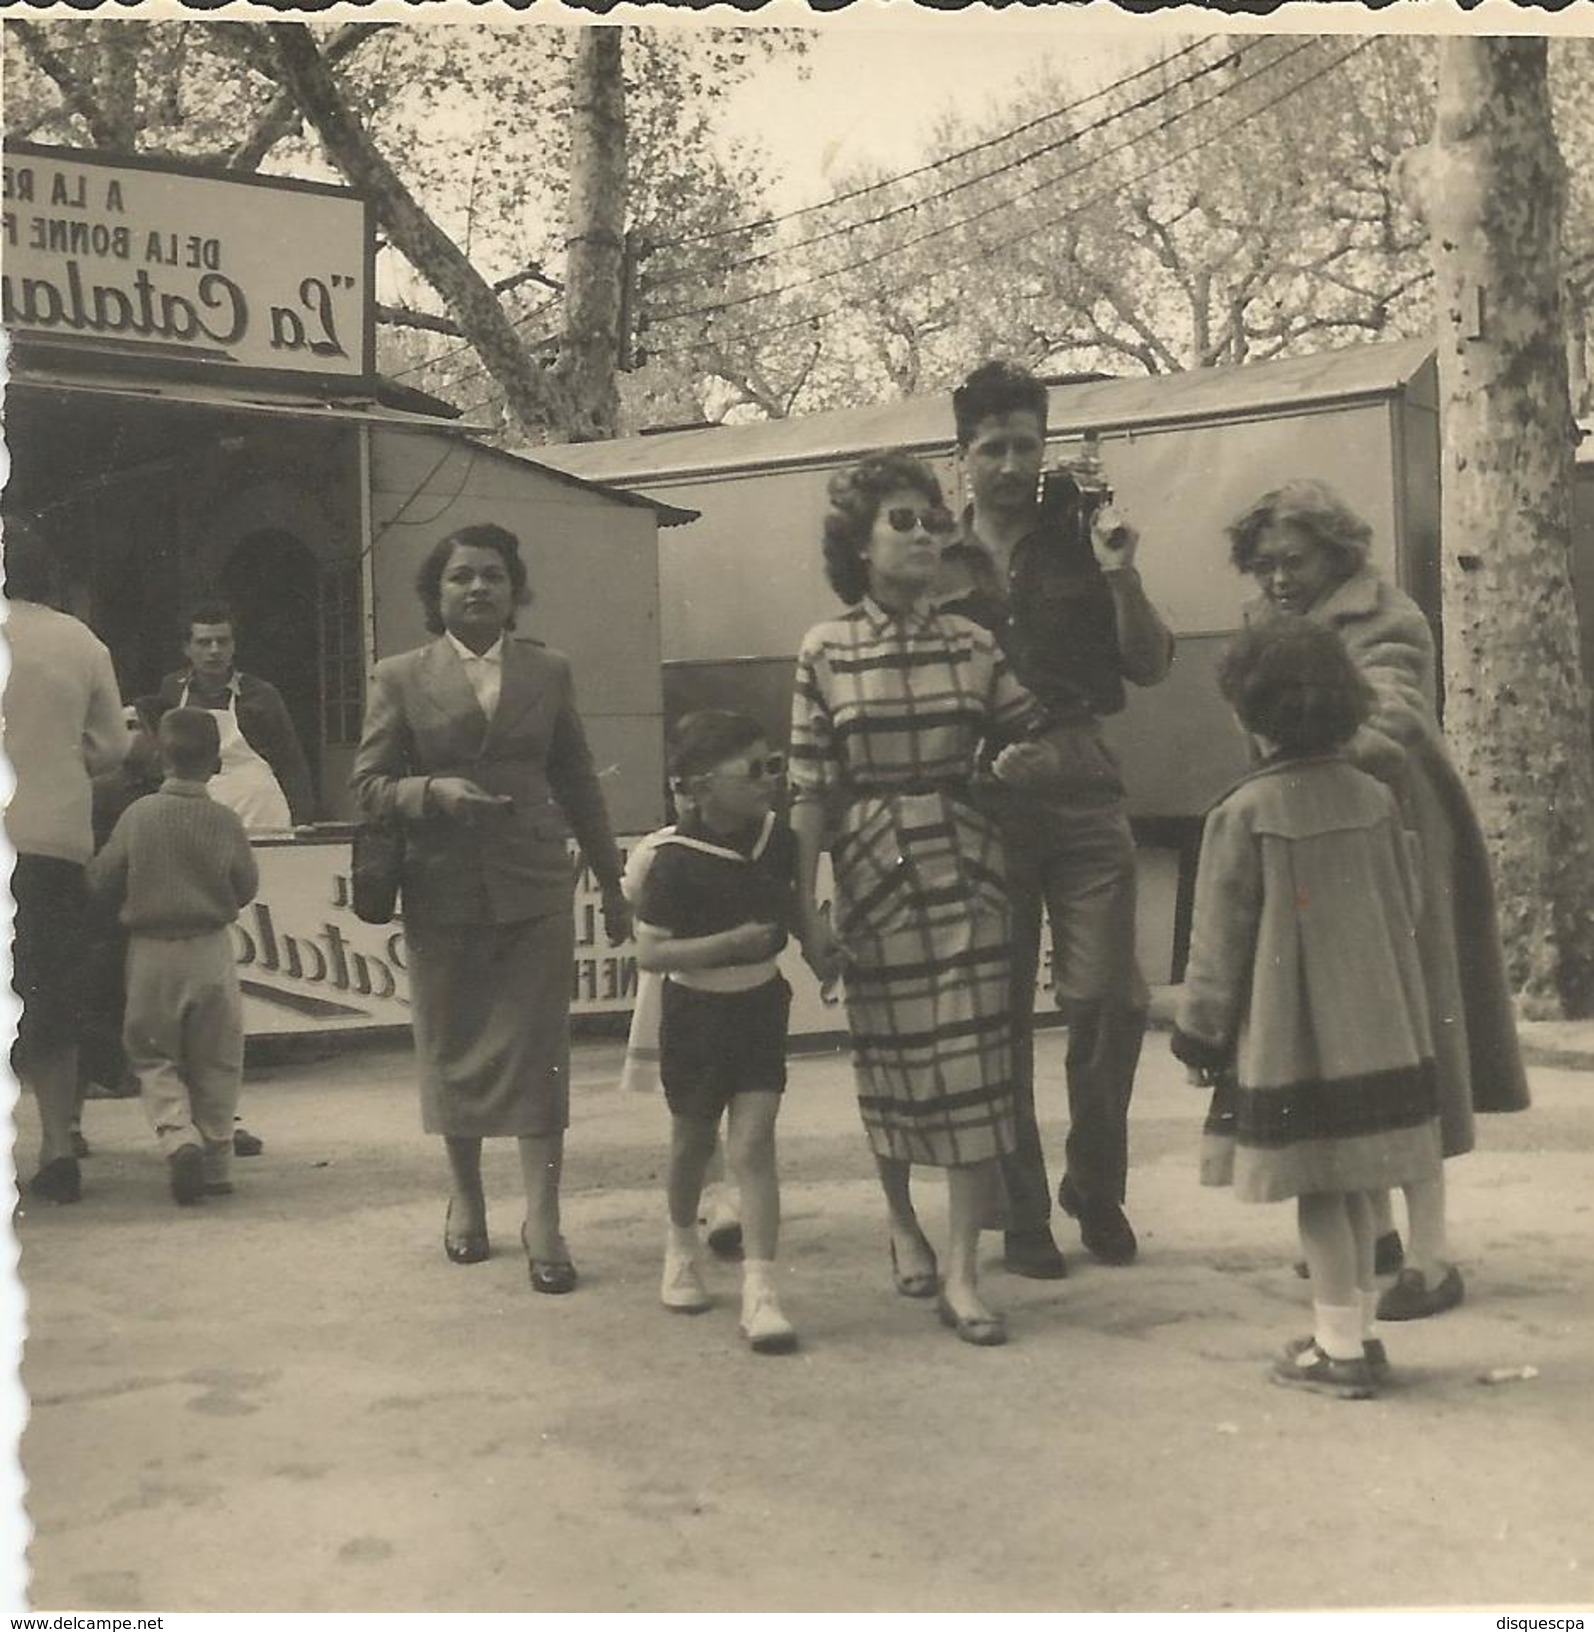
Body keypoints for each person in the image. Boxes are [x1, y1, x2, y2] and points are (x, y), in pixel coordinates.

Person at [1227, 478, 1530, 1321]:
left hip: (1396, 843)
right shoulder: (1264, 622)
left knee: (1413, 1043)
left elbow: (1389, 721)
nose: (1278, 578)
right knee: (1336, 1043)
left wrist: (1296, 745)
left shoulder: (1387, 618)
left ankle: (1431, 1259)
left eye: (1293, 560)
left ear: (1336, 549)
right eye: (1263, 565)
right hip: (1307, 840)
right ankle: (1374, 1237)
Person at [790, 449, 1051, 1347]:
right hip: (870, 876)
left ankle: (965, 1273)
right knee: (892, 1061)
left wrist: (1017, 762)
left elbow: (1035, 738)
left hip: (970, 868)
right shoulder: (824, 651)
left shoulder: (976, 645)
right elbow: (810, 791)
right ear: (858, 546)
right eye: (900, 522)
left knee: (974, 1070)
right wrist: (806, 914)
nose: (922, 536)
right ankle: (902, 1222)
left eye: (931, 521)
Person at [938, 360, 1174, 1278]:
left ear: (1044, 449)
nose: (1008, 463)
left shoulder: (1085, 539)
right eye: (990, 447)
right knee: (993, 1016)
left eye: (1024, 446)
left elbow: (1151, 665)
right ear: (959, 457)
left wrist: (1122, 574)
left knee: (1108, 1002)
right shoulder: (935, 556)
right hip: (981, 794)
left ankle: (1095, 1185)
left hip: (1080, 783)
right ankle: (1021, 1212)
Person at [350, 521, 629, 1294]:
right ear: (436, 595)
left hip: (534, 881)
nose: (478, 588)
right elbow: (368, 785)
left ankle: (543, 1217)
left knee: (541, 1052)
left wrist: (610, 880)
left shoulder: (550, 671)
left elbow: (578, 780)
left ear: (515, 592)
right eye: (461, 577)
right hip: (441, 886)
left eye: (493, 577)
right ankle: (466, 1199)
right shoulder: (400, 675)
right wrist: (431, 790)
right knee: (453, 1047)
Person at [1173, 621, 1444, 1399]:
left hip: (1299, 1041)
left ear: (1251, 717)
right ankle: (1353, 1330)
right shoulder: (1376, 796)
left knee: (1321, 1193)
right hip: (1383, 1031)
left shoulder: (1244, 812)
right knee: (1360, 1185)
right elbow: (1412, 904)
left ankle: (1337, 1352)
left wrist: (1201, 1039)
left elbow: (1218, 945)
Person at [635, 710, 801, 1354]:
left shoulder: (777, 840)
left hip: (762, 1006)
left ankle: (762, 1291)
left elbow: (789, 907)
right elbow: (652, 956)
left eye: (773, 766)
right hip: (697, 1016)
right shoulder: (672, 860)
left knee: (754, 1145)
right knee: (693, 1141)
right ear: (702, 786)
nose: (768, 781)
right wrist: (727, 942)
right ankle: (680, 1243)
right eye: (753, 770)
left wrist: (818, 945)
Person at [3, 514, 130, 1204]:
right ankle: (56, 1146)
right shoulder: (81, 641)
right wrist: (56, 761)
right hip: (51, 839)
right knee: (47, 996)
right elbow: (112, 746)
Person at [87, 709, 259, 1205]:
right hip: (209, 948)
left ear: (161, 757)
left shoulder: (138, 816)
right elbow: (246, 885)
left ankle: (176, 1135)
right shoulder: (225, 821)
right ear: (216, 764)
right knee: (218, 1058)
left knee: (152, 1053)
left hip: (150, 952)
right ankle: (217, 1161)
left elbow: (102, 878)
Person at [160, 601, 315, 1157]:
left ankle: (266, 1039)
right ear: (187, 648)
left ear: (234, 645)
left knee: (258, 931)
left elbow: (292, 760)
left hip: (260, 814)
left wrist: (300, 820)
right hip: (197, 816)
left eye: (222, 641)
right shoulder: (167, 693)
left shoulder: (259, 696)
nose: (214, 651)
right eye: (203, 642)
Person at [619, 800, 743, 1259]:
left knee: (742, 1096)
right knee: (694, 1105)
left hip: (735, 987)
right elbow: (632, 894)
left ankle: (730, 1192)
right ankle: (713, 1198)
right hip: (677, 985)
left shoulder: (747, 842)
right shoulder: (659, 849)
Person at [76, 696, 168, 1149]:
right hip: (110, 917)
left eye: (136, 726)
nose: (128, 735)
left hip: (162, 920)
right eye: (122, 726)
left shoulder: (175, 788)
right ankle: (79, 1111)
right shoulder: (101, 789)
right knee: (98, 996)